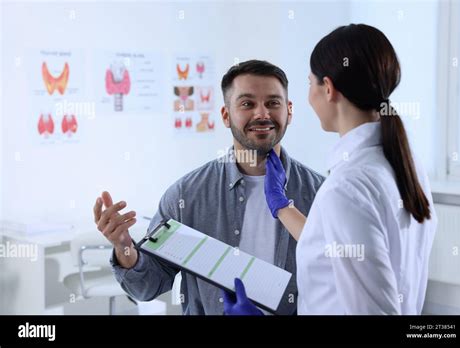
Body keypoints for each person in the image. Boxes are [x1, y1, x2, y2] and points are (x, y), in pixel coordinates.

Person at [224, 24, 437, 315]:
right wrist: (282, 206)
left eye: (310, 83)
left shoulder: (347, 187)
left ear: (328, 88)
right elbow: (335, 246)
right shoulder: (406, 165)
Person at [93, 60, 325, 315]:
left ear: (289, 111)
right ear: (226, 115)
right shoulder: (186, 195)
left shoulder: (320, 193)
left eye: (273, 103)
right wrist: (124, 246)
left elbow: (342, 287)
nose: (262, 114)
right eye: (247, 103)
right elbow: (147, 287)